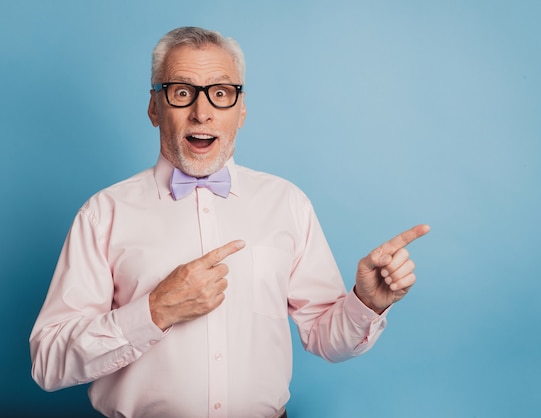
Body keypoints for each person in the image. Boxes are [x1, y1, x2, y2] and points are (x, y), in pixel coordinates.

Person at [29, 26, 430, 418]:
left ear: (240, 110)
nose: (201, 113)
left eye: (220, 93)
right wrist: (153, 311)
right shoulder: (103, 213)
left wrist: (367, 303)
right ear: (155, 107)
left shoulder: (287, 203)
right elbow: (48, 363)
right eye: (181, 92)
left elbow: (327, 339)